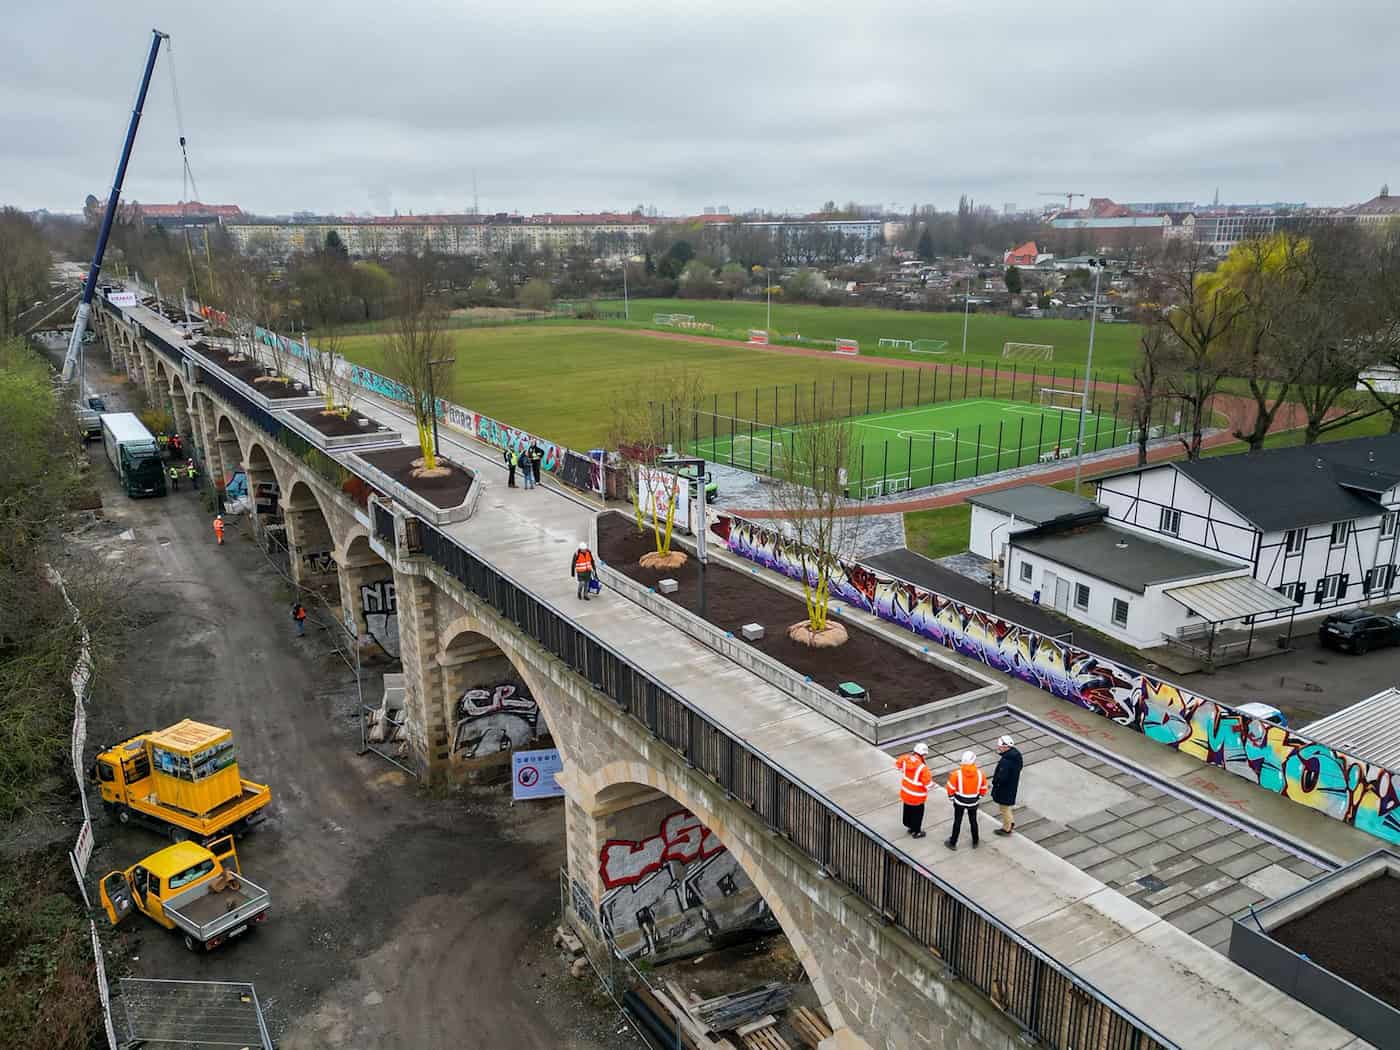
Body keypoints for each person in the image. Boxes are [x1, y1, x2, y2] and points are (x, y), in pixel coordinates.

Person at [945, 750, 988, 850]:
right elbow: (983, 788)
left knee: (957, 821)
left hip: (959, 801)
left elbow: (950, 788)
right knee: (973, 821)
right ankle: (975, 841)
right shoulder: (980, 774)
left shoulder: (956, 774)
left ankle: (953, 842)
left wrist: (952, 798)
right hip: (973, 802)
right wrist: (979, 797)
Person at [893, 742, 934, 838]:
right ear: (923, 755)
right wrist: (932, 785)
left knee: (907, 810)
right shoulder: (923, 769)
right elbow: (928, 784)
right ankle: (916, 832)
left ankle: (909, 826)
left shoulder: (905, 759)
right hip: (917, 797)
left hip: (906, 793)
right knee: (918, 814)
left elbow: (897, 765)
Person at [991, 735, 1023, 836]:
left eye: (1000, 746)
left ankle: (1007, 828)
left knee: (1004, 807)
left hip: (1004, 789)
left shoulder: (1006, 761)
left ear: (1006, 747)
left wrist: (995, 782)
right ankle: (1010, 822)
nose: (998, 748)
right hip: (1011, 786)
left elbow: (1001, 777)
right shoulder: (1016, 756)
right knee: (1006, 806)